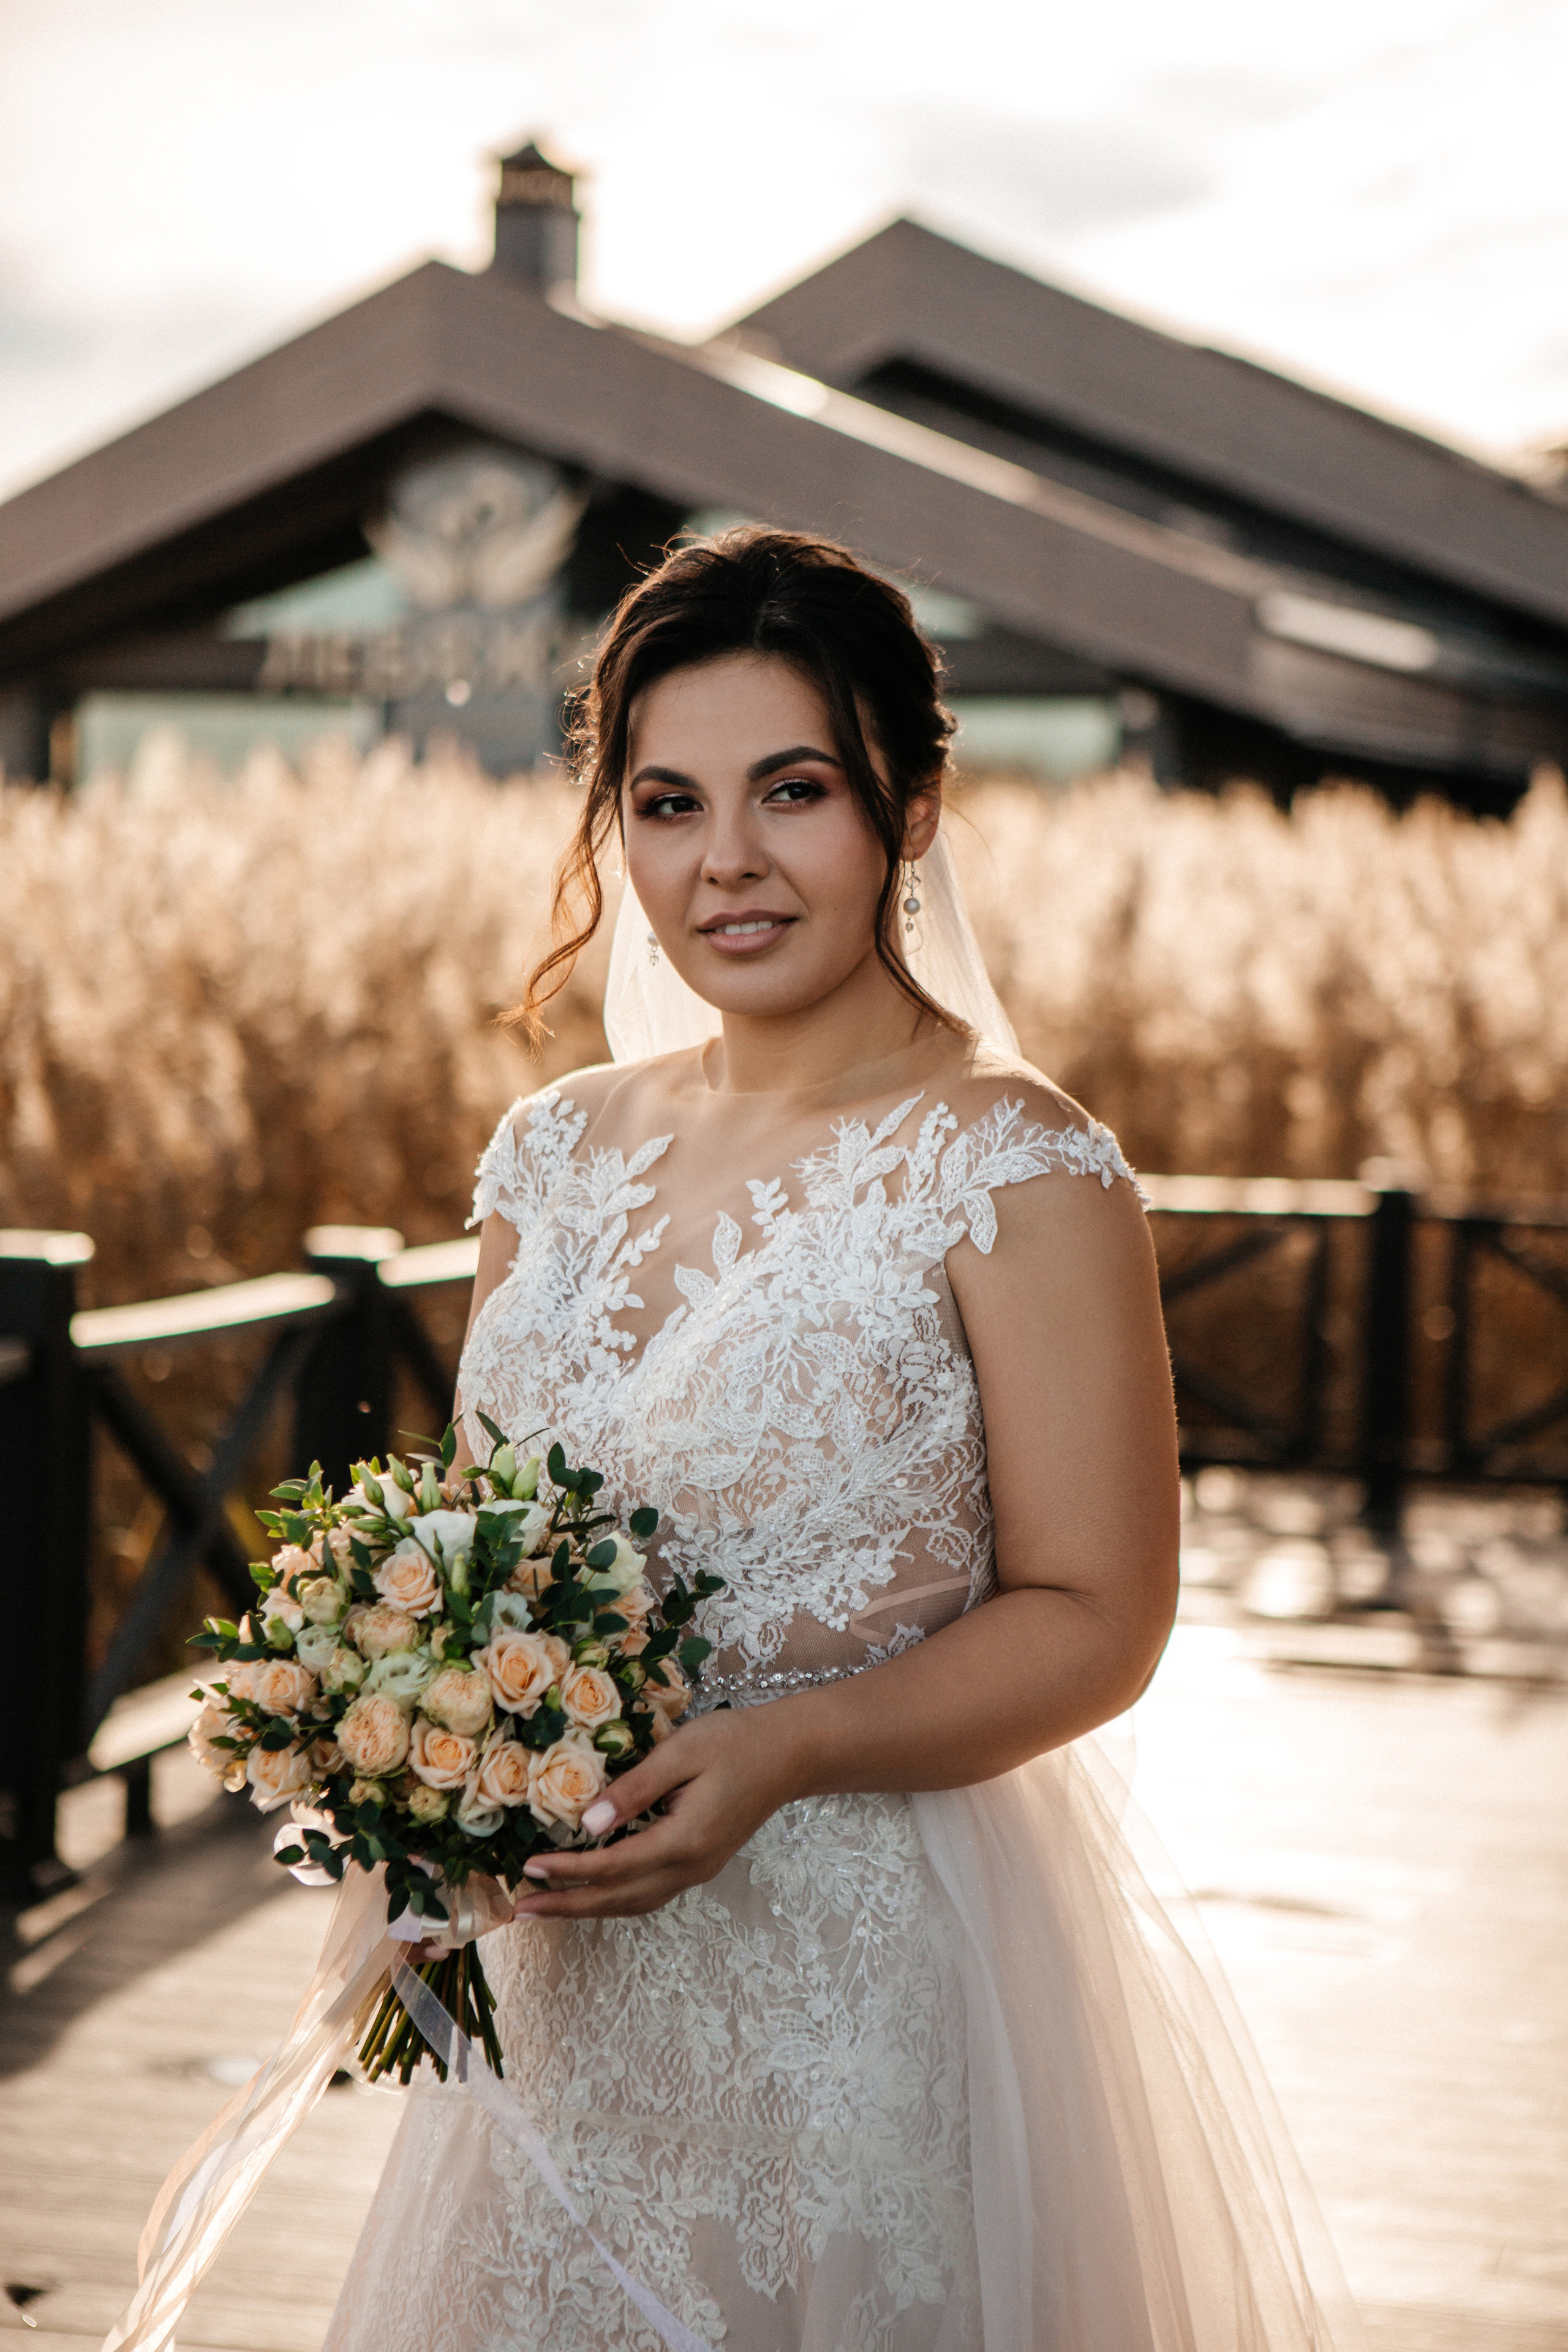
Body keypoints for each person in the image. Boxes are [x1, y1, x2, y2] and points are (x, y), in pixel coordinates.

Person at [110, 527, 1357, 2352]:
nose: (728, 864)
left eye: (797, 791)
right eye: (669, 803)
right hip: (563, 1974)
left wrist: (788, 1747)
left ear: (911, 810)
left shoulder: (1014, 1163)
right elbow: (483, 1544)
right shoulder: (552, 1152)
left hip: (851, 1984)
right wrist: (416, 1778)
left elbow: (1101, 1614)